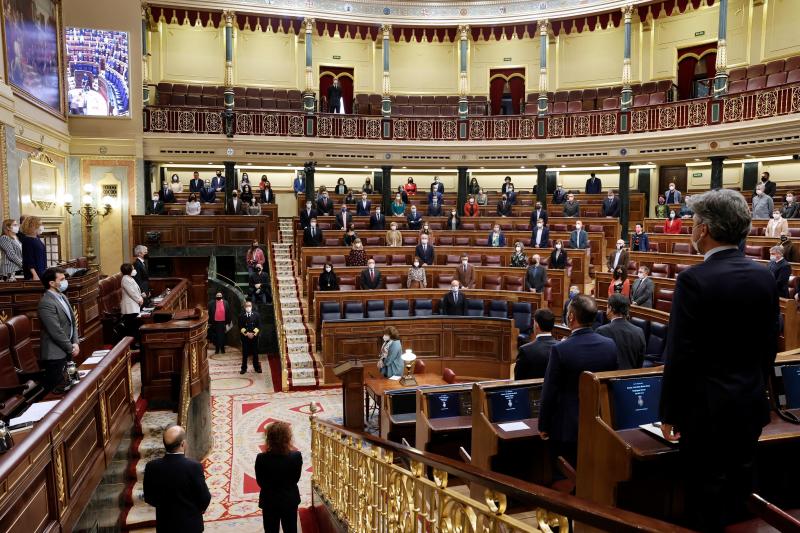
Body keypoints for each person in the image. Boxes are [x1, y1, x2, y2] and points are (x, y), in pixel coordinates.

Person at [659, 189, 778, 531]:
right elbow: (768, 348)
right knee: (738, 501)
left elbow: (680, 353)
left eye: (694, 223)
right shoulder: (764, 276)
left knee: (703, 505)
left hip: (704, 415)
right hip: (748, 407)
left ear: (705, 230)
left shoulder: (693, 279)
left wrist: (669, 412)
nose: (691, 229)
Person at [539, 294, 618, 467]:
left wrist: (543, 424)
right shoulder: (610, 345)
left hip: (568, 427)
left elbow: (549, 390)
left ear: (571, 316)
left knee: (565, 471)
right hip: (600, 422)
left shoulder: (560, 349)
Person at [143, 425, 211, 533]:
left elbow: (149, 498)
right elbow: (205, 498)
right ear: (183, 444)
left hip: (165, 527)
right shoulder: (194, 466)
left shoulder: (151, 467)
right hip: (191, 527)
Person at [255, 421, 302, 533]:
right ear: (288, 438)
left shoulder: (261, 458)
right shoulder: (296, 457)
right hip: (289, 500)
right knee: (290, 530)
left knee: (271, 530)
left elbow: (260, 482)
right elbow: (295, 479)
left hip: (269, 501)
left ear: (269, 439)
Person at [37, 267, 79, 394]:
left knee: (74, 385)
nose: (65, 282)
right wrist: (70, 347)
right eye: (62, 279)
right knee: (60, 392)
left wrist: (75, 342)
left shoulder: (62, 297)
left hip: (68, 351)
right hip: (56, 355)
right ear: (51, 283)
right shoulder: (46, 303)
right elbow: (56, 331)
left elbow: (73, 321)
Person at [596, 294, 646, 369]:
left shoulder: (601, 331)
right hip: (631, 377)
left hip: (609, 378)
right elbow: (640, 362)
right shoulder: (639, 331)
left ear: (611, 308)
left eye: (607, 307)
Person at [515, 309, 557, 380]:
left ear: (536, 325)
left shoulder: (525, 350)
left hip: (532, 390)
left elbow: (518, 380)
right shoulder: (562, 347)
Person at [120, 263, 143, 346]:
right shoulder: (125, 279)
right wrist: (139, 299)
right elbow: (131, 293)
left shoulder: (130, 278)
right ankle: (133, 345)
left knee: (135, 326)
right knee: (132, 328)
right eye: (133, 269)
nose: (134, 270)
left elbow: (136, 290)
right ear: (129, 270)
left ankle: (136, 342)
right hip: (129, 308)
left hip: (134, 306)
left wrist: (141, 296)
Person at [238, 301, 262, 374]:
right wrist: (247, 333)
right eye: (247, 306)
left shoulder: (256, 315)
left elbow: (259, 325)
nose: (248, 307)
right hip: (245, 337)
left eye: (250, 305)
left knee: (255, 353)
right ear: (245, 307)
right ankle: (244, 368)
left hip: (254, 337)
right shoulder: (241, 316)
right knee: (245, 353)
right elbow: (240, 326)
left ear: (252, 306)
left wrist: (253, 334)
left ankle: (257, 367)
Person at [20, 216, 46, 280]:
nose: (42, 226)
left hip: (41, 271)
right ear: (32, 226)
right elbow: (29, 260)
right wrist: (34, 275)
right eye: (40, 224)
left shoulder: (37, 238)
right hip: (33, 275)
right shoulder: (27, 240)